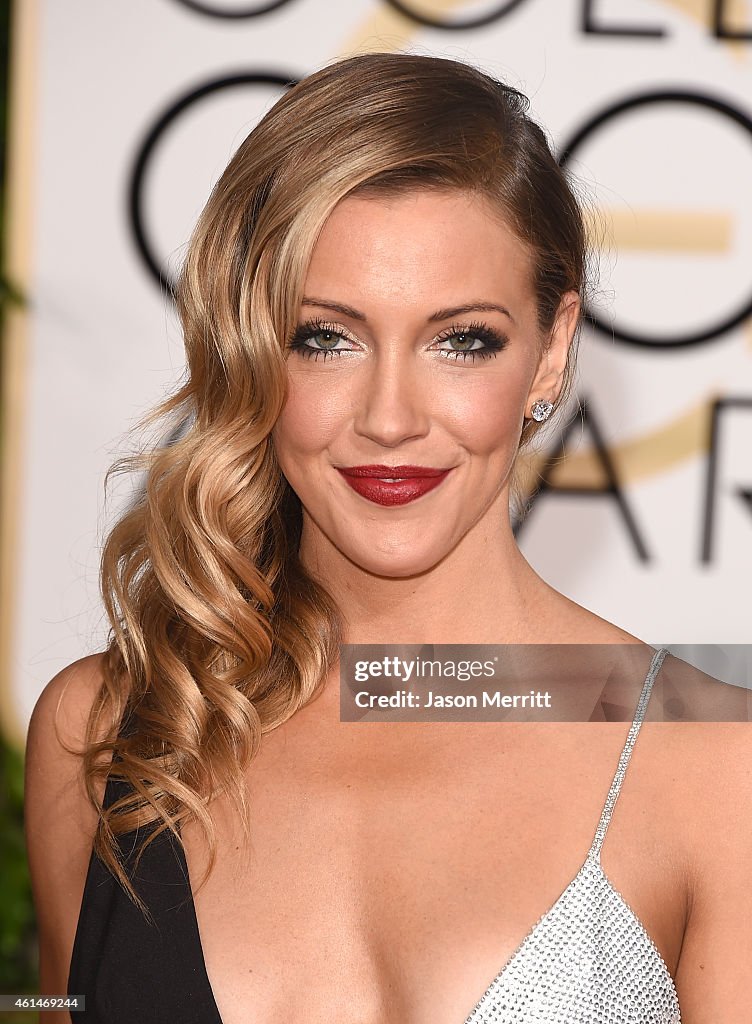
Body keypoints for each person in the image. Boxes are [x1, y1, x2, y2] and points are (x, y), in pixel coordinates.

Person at [23, 52, 751, 1024]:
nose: (390, 417)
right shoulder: (106, 733)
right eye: (326, 337)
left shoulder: (713, 766)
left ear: (550, 349)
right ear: (249, 346)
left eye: (462, 339)